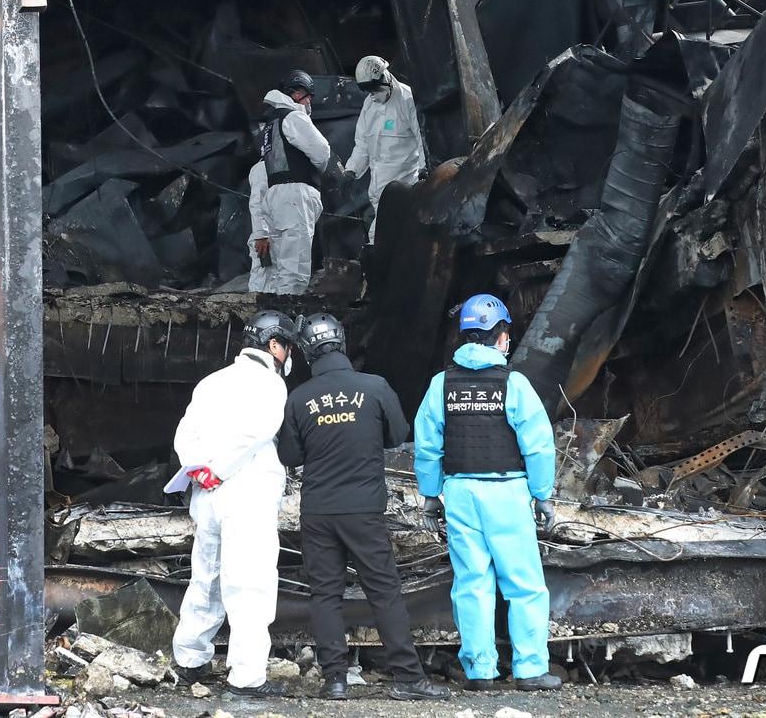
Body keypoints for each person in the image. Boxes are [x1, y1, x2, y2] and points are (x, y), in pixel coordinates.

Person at [277, 313, 451, 702]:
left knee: (325, 595)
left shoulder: (298, 398)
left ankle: (334, 680)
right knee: (384, 591)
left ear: (306, 351)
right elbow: (398, 435)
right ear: (342, 341)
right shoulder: (374, 387)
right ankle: (407, 678)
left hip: (318, 510)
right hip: (364, 509)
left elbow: (289, 454)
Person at [413, 293, 561, 691]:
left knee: (472, 583)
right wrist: (542, 494)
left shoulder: (441, 384)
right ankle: (530, 670)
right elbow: (539, 444)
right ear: (500, 337)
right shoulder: (514, 384)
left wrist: (430, 494)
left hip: (460, 493)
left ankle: (481, 672)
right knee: (524, 584)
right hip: (508, 493)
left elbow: (427, 446)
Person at [171, 310, 297, 697]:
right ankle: (246, 677)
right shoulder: (270, 384)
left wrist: (199, 470)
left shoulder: (213, 381)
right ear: (274, 345)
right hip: (246, 492)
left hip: (207, 494)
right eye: (288, 346)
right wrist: (221, 469)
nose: (289, 355)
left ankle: (190, 659)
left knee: (205, 574)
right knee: (250, 582)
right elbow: (257, 432)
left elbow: (184, 434)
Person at [252, 70, 332, 294]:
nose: (309, 103)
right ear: (297, 94)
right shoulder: (293, 116)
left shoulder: (270, 125)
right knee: (294, 268)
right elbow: (322, 151)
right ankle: (287, 320)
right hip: (296, 195)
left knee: (277, 268)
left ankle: (272, 319)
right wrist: (318, 169)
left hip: (275, 197)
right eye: (308, 97)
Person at [346, 56, 428, 241]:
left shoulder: (407, 99)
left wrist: (425, 168)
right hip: (378, 190)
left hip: (403, 186)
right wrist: (352, 169)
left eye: (375, 89)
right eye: (369, 91)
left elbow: (421, 137)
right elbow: (362, 144)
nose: (373, 94)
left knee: (382, 238)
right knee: (389, 240)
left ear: (384, 77)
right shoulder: (369, 104)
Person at [247, 160, 273, 293]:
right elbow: (257, 201)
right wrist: (261, 234)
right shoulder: (263, 167)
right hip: (266, 238)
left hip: (278, 234)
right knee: (262, 280)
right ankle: (259, 311)